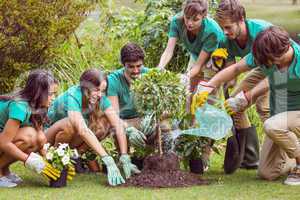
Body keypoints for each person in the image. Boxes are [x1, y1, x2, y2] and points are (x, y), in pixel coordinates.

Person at [194, 26, 300, 185]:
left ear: (279, 53)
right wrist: (208, 87)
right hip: (282, 115)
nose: (264, 65)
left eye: (267, 61)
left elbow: (274, 80)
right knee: (267, 173)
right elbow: (236, 68)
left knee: (271, 126)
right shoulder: (269, 55)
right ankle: (293, 155)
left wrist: (246, 97)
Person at [194, 0, 273, 173]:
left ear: (242, 19)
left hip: (281, 68)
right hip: (259, 65)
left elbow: (275, 72)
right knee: (234, 105)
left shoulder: (262, 32)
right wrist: (218, 84)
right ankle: (250, 159)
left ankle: (279, 153)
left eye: (228, 27)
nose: (225, 32)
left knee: (264, 109)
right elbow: (233, 68)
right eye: (222, 28)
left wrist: (249, 94)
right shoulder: (225, 38)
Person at [45, 68, 140, 186]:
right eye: (96, 90)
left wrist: (125, 156)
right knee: (70, 124)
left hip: (72, 138)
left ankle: (75, 157)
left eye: (102, 91)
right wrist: (107, 159)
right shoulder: (74, 95)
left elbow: (117, 123)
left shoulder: (100, 98)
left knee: (106, 123)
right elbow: (83, 130)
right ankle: (56, 162)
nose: (100, 95)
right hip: (48, 138)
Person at [0, 69, 59, 187]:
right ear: (38, 92)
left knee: (38, 138)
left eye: (54, 94)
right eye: (50, 94)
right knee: (29, 136)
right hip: (2, 140)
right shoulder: (20, 106)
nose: (53, 98)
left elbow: (41, 139)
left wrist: (51, 162)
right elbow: (4, 142)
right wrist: (29, 160)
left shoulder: (40, 105)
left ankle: (4, 171)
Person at [157, 0, 224, 94]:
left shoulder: (211, 31)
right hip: (196, 54)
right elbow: (168, 51)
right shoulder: (177, 21)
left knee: (206, 92)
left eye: (195, 19)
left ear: (204, 16)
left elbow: (199, 65)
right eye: (187, 17)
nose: (189, 23)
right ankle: (189, 109)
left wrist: (185, 76)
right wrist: (159, 68)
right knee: (189, 90)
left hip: (215, 58)